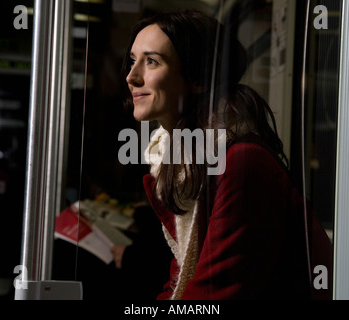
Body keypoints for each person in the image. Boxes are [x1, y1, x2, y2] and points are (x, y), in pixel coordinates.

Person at [120, 9, 333, 300]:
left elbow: (213, 294)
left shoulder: (241, 162)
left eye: (152, 61)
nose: (132, 77)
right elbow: (183, 277)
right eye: (133, 61)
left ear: (198, 80)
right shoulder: (178, 162)